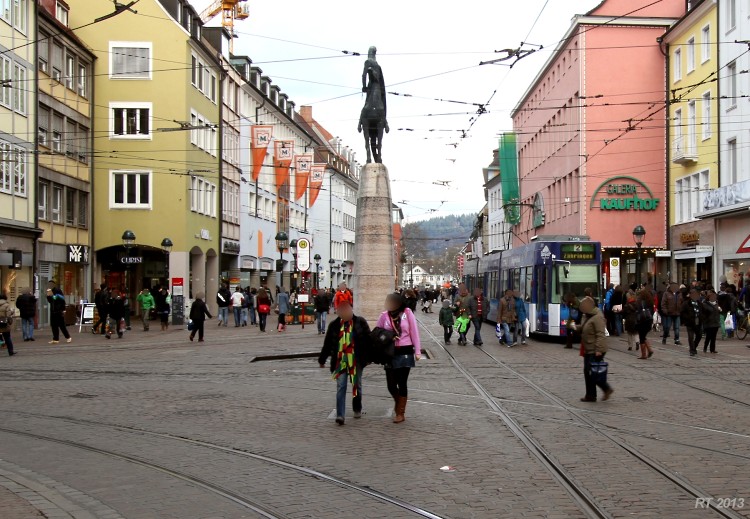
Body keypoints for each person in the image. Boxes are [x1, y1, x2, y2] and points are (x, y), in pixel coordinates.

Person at [318, 300, 371, 425]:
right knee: (341, 386)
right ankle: (340, 415)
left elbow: (368, 341)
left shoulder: (360, 322)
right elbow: (328, 344)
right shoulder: (334, 325)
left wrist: (368, 357)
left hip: (356, 360)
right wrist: (322, 359)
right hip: (340, 360)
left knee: (356, 385)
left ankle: (357, 408)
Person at [375, 293, 421, 423]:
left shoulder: (408, 313)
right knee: (390, 384)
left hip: (405, 351)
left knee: (402, 382)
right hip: (390, 352)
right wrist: (388, 336)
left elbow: (414, 331)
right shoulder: (384, 315)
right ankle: (398, 401)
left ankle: (400, 412)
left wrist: (417, 350)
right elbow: (377, 332)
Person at [573, 296, 613, 402]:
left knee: (592, 372)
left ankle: (605, 389)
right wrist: (574, 327)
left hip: (595, 349)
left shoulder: (598, 316)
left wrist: (598, 350)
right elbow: (583, 327)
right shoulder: (587, 315)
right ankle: (591, 395)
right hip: (588, 348)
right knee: (589, 371)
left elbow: (600, 334)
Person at [681, 288, 704, 357]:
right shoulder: (686, 303)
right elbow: (682, 312)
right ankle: (692, 350)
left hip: (698, 322)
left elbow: (703, 311)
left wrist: (702, 317)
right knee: (690, 337)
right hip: (690, 322)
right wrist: (686, 319)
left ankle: (694, 346)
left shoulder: (699, 303)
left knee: (699, 335)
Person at [635, 290, 654, 359]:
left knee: (642, 337)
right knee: (643, 336)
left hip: (642, 321)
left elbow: (637, 311)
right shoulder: (650, 301)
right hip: (649, 320)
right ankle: (649, 350)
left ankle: (644, 354)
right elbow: (652, 311)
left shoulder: (639, 302)